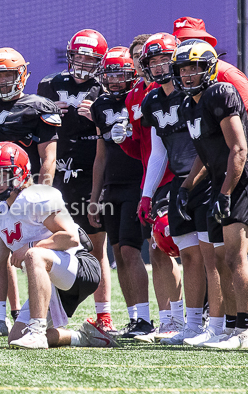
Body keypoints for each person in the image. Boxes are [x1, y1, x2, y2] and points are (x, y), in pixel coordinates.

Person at [0, 142, 117, 349]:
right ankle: (85, 337)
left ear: (20, 173)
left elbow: (71, 237)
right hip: (51, 281)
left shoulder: (36, 196)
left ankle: (37, 331)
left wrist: (29, 246)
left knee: (34, 255)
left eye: (2, 175)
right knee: (15, 338)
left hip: (79, 267)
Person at [0, 47, 60, 336]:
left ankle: (41, 317)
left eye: (9, 75)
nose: (4, 81)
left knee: (34, 254)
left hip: (26, 191)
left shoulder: (39, 107)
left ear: (22, 75)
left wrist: (40, 198)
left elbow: (48, 158)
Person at [139, 34, 223, 346]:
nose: (160, 66)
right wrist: (147, 194)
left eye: (165, 59)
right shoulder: (152, 101)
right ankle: (192, 324)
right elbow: (159, 152)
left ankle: (217, 324)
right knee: (189, 255)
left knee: (211, 255)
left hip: (209, 179)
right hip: (180, 183)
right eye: (154, 61)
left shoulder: (202, 95)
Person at [37, 29, 114, 331]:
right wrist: (47, 112)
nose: (82, 62)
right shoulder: (49, 85)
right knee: (53, 245)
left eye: (89, 58)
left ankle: (104, 315)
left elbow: (114, 136)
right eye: (78, 55)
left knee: (96, 246)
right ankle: (49, 312)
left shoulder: (106, 88)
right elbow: (34, 127)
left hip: (91, 170)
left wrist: (97, 118)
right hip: (57, 171)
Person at [173, 39, 248, 349]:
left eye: (196, 67)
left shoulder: (221, 93)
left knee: (235, 257)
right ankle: (231, 329)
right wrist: (187, 186)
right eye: (184, 69)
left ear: (211, 68)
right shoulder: (189, 104)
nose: (190, 74)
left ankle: (244, 329)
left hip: (239, 181)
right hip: (220, 182)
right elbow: (204, 153)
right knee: (219, 259)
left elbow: (238, 148)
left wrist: (227, 192)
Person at [117, 34, 182, 343]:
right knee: (158, 248)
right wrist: (123, 139)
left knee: (192, 249)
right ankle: (170, 318)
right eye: (144, 59)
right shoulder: (138, 97)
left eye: (158, 59)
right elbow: (146, 148)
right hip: (153, 178)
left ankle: (194, 317)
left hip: (181, 175)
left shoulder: (177, 90)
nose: (153, 65)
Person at [88, 46, 153, 338]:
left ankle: (146, 318)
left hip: (137, 181)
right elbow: (100, 156)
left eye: (121, 74)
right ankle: (133, 318)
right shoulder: (100, 105)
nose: (115, 80)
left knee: (129, 249)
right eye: (110, 74)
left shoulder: (139, 99)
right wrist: (94, 197)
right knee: (117, 251)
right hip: (112, 186)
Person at [172, 16, 248, 107]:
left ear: (204, 41)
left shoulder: (227, 74)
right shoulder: (172, 75)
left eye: (189, 40)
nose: (184, 46)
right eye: (179, 42)